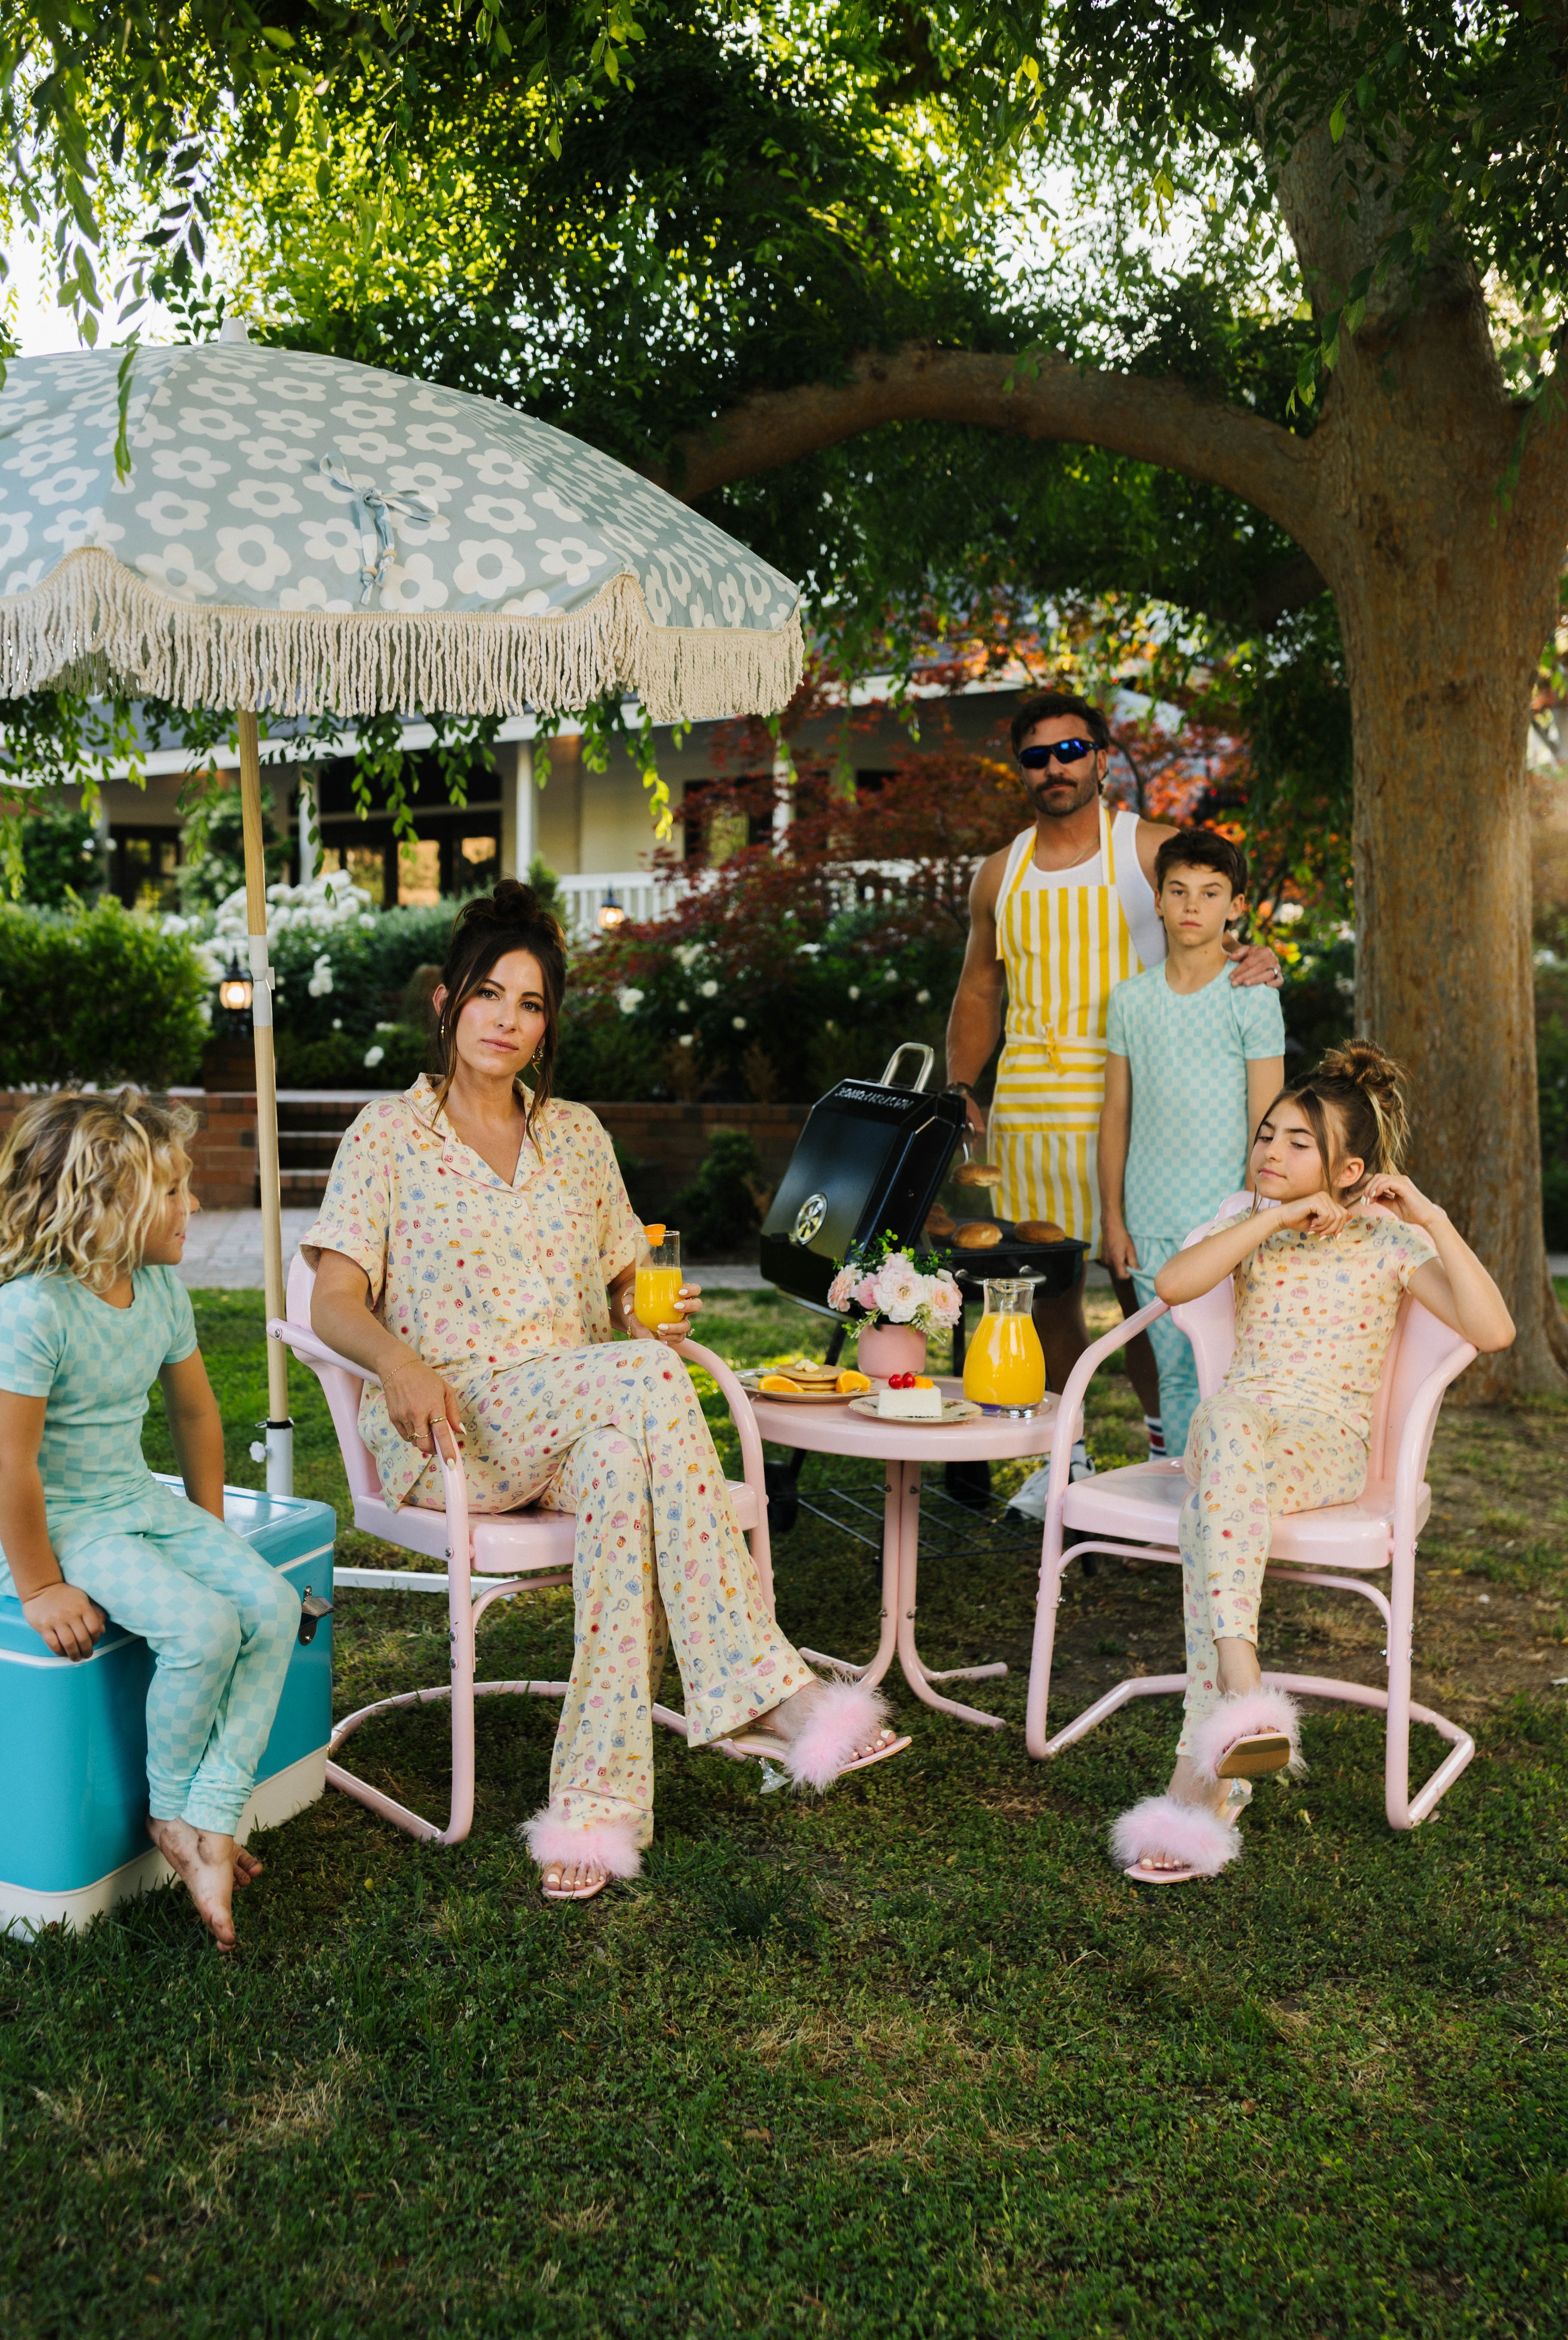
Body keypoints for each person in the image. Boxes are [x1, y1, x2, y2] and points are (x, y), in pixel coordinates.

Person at [305, 880, 908, 1903]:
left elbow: (631, 1283)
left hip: (585, 1411)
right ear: (446, 1004)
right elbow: (332, 1302)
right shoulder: (387, 1137)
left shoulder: (575, 1134)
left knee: (628, 1463)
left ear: (547, 1025)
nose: (507, 1020)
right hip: (456, 1424)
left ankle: (598, 1803)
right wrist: (399, 1362)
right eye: (489, 995)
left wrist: (648, 1314)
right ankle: (765, 1690)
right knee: (642, 1385)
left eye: (531, 1004)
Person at [1111, 1042, 1515, 1883]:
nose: (1271, 1152)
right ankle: (1236, 1698)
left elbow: (1495, 1330)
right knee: (1223, 1434)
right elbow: (1179, 1284)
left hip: (1323, 1444)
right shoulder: (1248, 1225)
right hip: (1236, 1432)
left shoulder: (1387, 1242)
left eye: (1299, 1142)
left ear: (1350, 1164)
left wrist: (1429, 1217)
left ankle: (1214, 1735)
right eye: (1267, 1134)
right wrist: (1269, 1215)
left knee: (1218, 1480)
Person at [944, 690, 1283, 1462]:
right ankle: (1070, 1463)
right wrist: (965, 1086)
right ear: (1021, 772)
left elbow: (1215, 923)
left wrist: (1259, 955)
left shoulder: (1147, 851)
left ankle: (1177, 1457)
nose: (1054, 768)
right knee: (1047, 1295)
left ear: (1101, 757)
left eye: (1070, 751)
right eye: (1036, 756)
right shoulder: (1000, 875)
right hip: (1032, 1111)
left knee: (1155, 1298)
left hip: (1142, 1110)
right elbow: (978, 989)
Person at [0, 1092, 301, 1951]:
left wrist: (210, 1536)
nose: (193, 1206)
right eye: (173, 1191)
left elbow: (198, 1416)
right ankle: (175, 1813)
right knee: (205, 1629)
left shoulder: (162, 1288)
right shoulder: (33, 1310)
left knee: (271, 1606)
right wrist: (42, 1584)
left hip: (138, 1502)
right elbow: (9, 1462)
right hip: (68, 1531)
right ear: (102, 1204)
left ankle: (213, 1811)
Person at [1099, 827, 1285, 1461]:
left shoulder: (1253, 998)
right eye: (1177, 891)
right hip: (1150, 1222)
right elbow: (1116, 1114)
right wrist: (1113, 1219)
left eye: (1210, 894)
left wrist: (1254, 1220)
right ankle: (1184, 1513)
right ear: (1156, 900)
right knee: (1175, 1376)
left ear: (1235, 906)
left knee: (1228, 1375)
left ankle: (1231, 1503)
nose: (1191, 906)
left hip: (1225, 1222)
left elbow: (1269, 1123)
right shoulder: (1130, 1001)